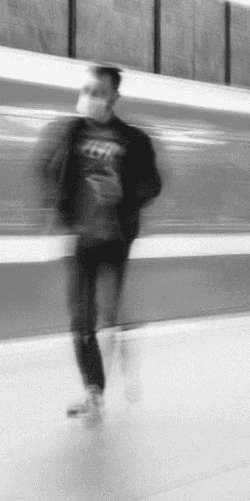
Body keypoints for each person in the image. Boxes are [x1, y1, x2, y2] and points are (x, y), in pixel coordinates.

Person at [36, 65, 161, 420]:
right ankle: (94, 391)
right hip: (82, 238)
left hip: (116, 238)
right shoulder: (71, 132)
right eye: (86, 89)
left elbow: (152, 184)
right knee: (82, 318)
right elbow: (48, 167)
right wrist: (56, 208)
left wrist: (125, 195)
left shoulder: (134, 139)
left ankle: (121, 338)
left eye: (98, 92)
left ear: (114, 98)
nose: (89, 98)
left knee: (111, 312)